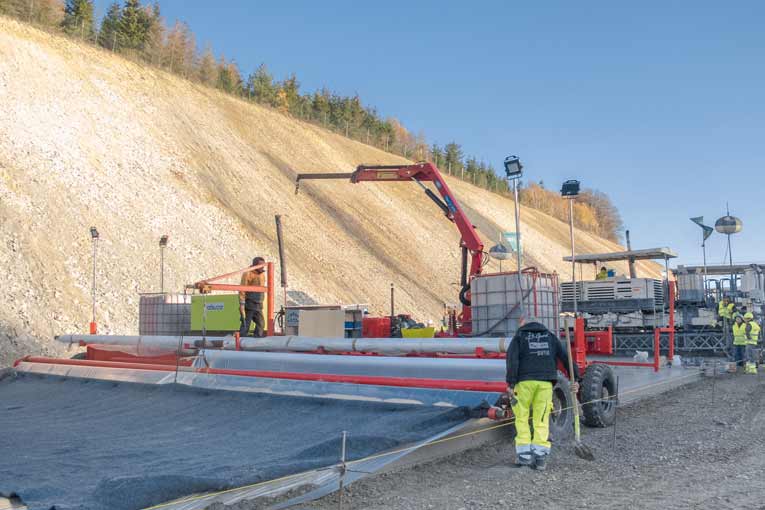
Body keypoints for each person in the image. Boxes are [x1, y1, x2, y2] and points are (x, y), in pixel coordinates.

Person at [506, 320, 580, 470]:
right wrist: (575, 378)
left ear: (523, 326)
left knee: (522, 417)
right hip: (545, 383)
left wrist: (511, 383)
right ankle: (540, 457)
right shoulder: (550, 337)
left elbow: (512, 360)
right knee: (541, 419)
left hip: (524, 383)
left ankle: (524, 456)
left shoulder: (519, 336)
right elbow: (566, 358)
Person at [239, 257, 266, 337]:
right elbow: (242, 289)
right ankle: (241, 339)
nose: (262, 267)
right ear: (254, 265)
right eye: (260, 265)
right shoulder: (247, 273)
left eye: (263, 265)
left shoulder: (262, 274)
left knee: (261, 323)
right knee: (246, 323)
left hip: (258, 303)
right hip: (249, 302)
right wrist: (242, 303)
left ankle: (257, 339)